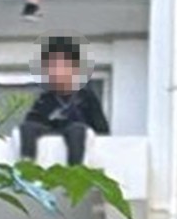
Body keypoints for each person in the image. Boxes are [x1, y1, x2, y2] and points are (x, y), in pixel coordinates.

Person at [19, 36, 109, 166]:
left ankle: (75, 169)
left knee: (76, 129)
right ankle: (26, 164)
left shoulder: (85, 96)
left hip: (77, 133)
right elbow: (31, 123)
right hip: (51, 133)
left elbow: (102, 129)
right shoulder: (45, 99)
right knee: (27, 128)